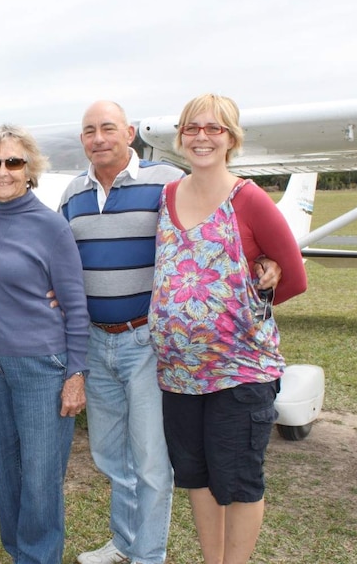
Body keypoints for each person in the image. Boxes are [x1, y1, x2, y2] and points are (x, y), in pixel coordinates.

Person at [60, 100, 283, 564]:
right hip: (97, 340)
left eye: (107, 128)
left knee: (151, 460)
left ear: (130, 132)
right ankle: (124, 543)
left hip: (146, 341)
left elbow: (213, 228)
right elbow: (60, 256)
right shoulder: (71, 193)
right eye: (88, 131)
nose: (98, 138)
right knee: (108, 454)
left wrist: (264, 260)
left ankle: (148, 554)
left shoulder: (165, 182)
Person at [149, 93, 306, 564]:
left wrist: (259, 280)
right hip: (178, 375)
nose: (202, 137)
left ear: (231, 139)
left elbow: (293, 276)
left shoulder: (249, 198)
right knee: (195, 477)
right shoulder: (167, 196)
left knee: (237, 482)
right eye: (193, 128)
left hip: (239, 374)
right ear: (180, 137)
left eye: (214, 129)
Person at [0, 124, 90, 564]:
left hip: (41, 366)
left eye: (13, 162)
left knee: (39, 479)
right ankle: (22, 554)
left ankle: (39, 558)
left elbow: (75, 307)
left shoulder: (52, 227)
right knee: (3, 475)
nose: (3, 171)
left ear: (30, 169)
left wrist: (76, 374)